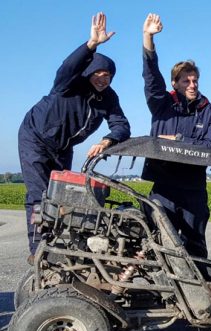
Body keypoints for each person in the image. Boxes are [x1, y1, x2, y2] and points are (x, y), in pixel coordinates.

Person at [18, 12, 130, 265]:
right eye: (98, 73)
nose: (103, 79)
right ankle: (39, 249)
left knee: (61, 195)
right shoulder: (69, 84)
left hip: (63, 146)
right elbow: (67, 67)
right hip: (35, 138)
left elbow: (122, 125)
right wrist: (92, 44)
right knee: (39, 195)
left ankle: (59, 243)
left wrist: (107, 140)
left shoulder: (109, 97)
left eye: (107, 75)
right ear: (88, 72)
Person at [141, 13, 211, 259]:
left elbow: (210, 147)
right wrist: (148, 38)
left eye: (195, 80)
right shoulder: (162, 104)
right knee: (154, 243)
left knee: (195, 247)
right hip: (163, 187)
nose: (192, 85)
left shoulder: (210, 112)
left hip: (193, 188)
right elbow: (151, 78)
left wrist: (177, 141)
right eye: (186, 81)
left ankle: (199, 283)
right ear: (175, 83)